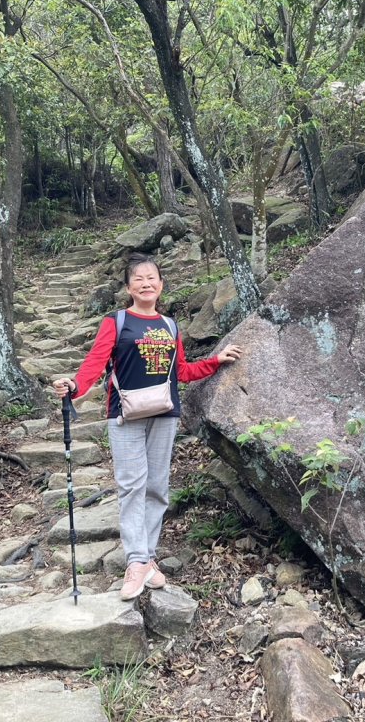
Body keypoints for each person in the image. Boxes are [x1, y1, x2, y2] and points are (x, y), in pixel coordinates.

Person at [52, 252, 243, 599]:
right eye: (138, 279)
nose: (146, 283)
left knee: (157, 487)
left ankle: (147, 557)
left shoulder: (169, 326)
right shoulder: (117, 321)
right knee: (131, 486)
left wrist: (215, 361)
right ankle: (136, 560)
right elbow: (95, 363)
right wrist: (76, 386)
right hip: (124, 414)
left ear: (161, 285)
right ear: (128, 287)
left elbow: (181, 371)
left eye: (151, 278)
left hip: (164, 413)